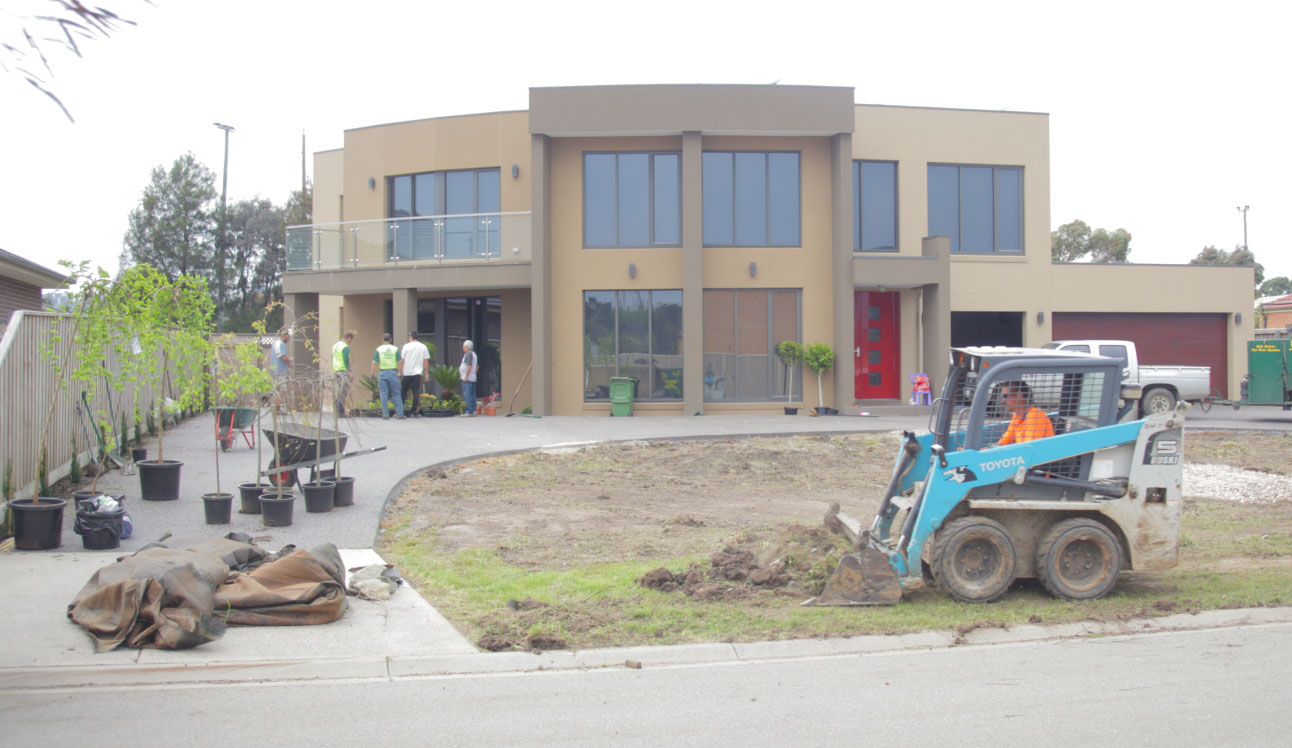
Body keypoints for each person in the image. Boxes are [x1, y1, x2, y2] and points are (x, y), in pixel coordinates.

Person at [996, 381, 1054, 445]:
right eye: (1002, 397)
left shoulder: (1035, 415)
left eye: (1006, 396)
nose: (1002, 402)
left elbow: (1030, 448)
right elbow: (1004, 441)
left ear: (1019, 395)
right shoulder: (1016, 417)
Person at [370, 333, 403, 419]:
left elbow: (374, 362)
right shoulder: (395, 349)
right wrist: (400, 372)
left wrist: (372, 373)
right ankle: (399, 414)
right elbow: (399, 361)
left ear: (382, 339)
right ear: (391, 340)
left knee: (383, 394)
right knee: (396, 393)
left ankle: (385, 414)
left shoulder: (379, 349)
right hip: (393, 372)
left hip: (383, 372)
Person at [399, 331, 431, 417]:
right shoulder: (423, 347)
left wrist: (400, 371)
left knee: (403, 392)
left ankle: (400, 411)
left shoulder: (406, 346)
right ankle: (414, 412)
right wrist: (426, 373)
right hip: (417, 373)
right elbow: (426, 361)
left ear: (411, 337)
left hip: (406, 372)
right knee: (416, 393)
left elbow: (402, 360)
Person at [332, 330, 355, 417]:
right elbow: (346, 359)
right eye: (351, 340)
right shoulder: (345, 347)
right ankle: (340, 411)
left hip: (336, 370)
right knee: (343, 391)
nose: (350, 342)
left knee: (340, 390)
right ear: (348, 338)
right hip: (342, 370)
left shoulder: (336, 345)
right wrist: (349, 371)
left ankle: (338, 409)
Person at [459, 339, 479, 416]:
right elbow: (477, 366)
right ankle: (473, 410)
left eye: (463, 346)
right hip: (472, 377)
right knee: (471, 394)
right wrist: (474, 374)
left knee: (467, 394)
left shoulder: (469, 354)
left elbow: (469, 365)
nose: (463, 347)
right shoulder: (474, 354)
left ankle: (469, 411)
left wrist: (466, 376)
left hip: (468, 378)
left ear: (466, 347)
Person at [272, 330, 292, 406]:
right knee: (283, 390)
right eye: (289, 338)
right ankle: (280, 406)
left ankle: (277, 406)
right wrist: (289, 364)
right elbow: (283, 357)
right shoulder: (281, 344)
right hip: (281, 371)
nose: (289, 339)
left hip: (275, 370)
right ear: (285, 336)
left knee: (277, 390)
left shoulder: (276, 344)